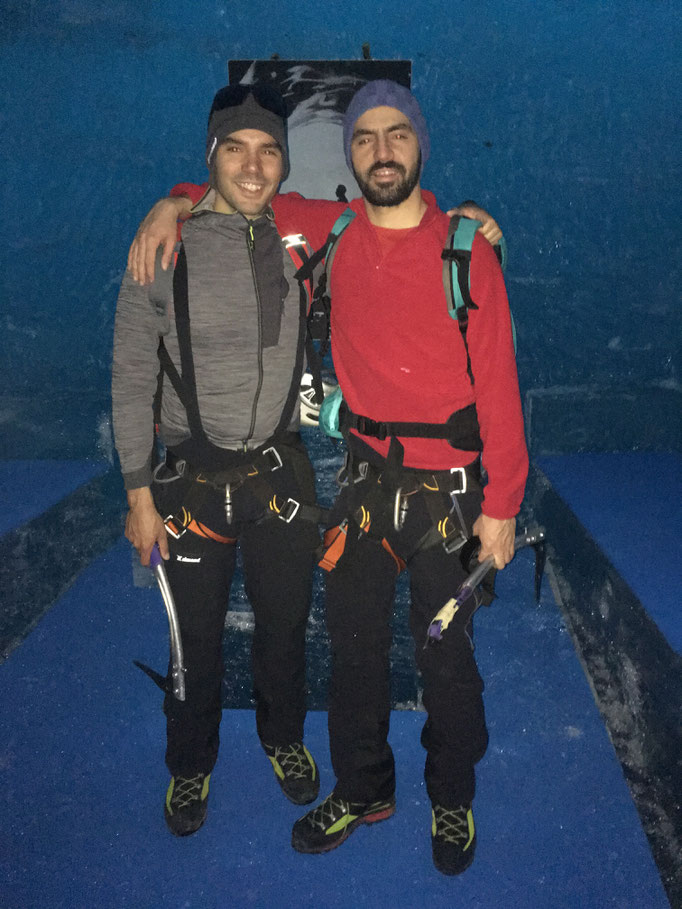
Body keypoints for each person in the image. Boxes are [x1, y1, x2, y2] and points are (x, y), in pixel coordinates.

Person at [123, 81, 511, 866]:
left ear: (419, 144)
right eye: (364, 138)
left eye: (396, 134)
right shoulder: (328, 230)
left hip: (452, 494)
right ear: (350, 155)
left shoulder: (463, 250)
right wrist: (171, 201)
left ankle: (452, 796)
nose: (381, 151)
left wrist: (500, 507)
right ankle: (364, 784)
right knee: (355, 650)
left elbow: (499, 387)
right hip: (367, 487)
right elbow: (236, 188)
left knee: (446, 658)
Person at [112, 84, 333, 837]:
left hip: (279, 478)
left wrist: (459, 216)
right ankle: (189, 761)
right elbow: (132, 371)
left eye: (268, 149)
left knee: (284, 626)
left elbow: (386, 210)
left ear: (283, 163)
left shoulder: (300, 235)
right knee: (192, 640)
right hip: (189, 486)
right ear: (211, 155)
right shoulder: (161, 245)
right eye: (235, 148)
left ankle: (284, 737)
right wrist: (139, 493)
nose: (253, 164)